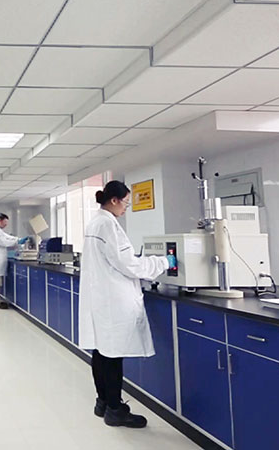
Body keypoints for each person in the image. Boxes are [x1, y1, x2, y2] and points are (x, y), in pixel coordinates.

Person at [78, 181, 171, 429]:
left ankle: (103, 402)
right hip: (113, 300)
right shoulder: (108, 224)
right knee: (112, 356)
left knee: (101, 351)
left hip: (102, 298)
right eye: (126, 203)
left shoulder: (95, 223)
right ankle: (115, 410)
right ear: (114, 200)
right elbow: (129, 264)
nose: (126, 208)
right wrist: (163, 262)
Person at [0, 213, 28, 309]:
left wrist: (17, 239)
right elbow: (4, 242)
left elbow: (6, 236)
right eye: (5, 222)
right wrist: (17, 242)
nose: (6, 225)